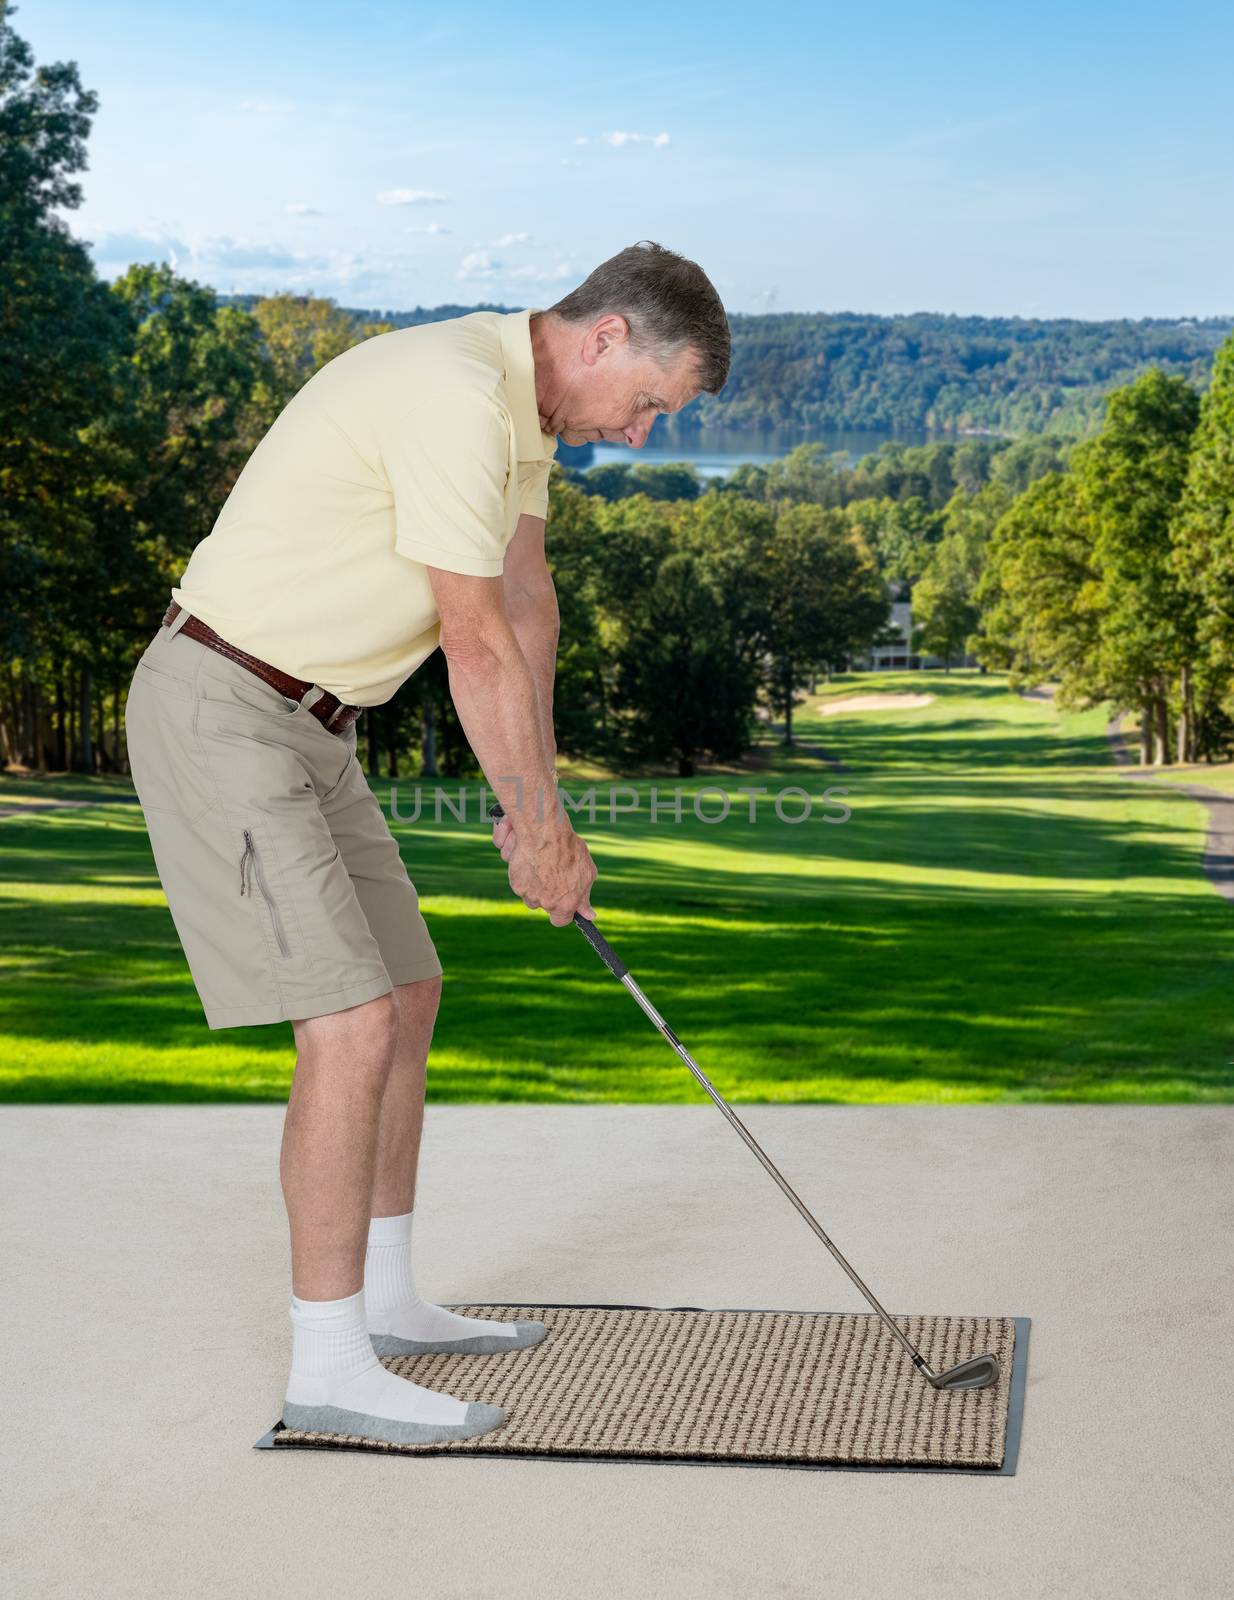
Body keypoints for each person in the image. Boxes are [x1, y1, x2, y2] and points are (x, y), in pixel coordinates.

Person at [124, 239, 732, 1446]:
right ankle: (329, 1362)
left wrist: (536, 808)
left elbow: (527, 605)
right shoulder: (456, 394)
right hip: (224, 707)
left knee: (407, 989)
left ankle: (388, 1299)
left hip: (314, 726)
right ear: (606, 335)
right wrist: (544, 832)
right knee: (346, 1025)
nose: (642, 433)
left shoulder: (519, 416)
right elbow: (471, 640)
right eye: (652, 403)